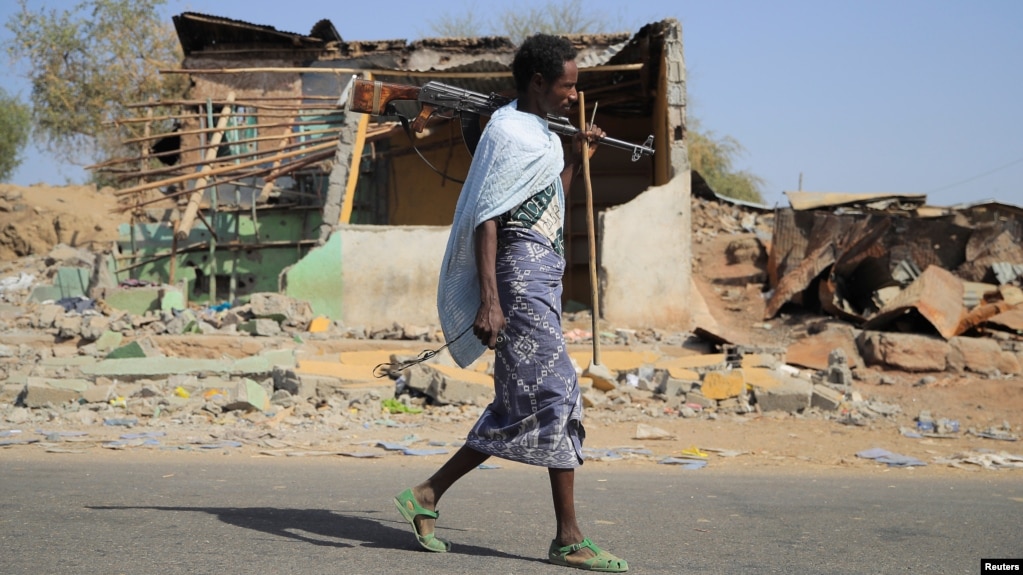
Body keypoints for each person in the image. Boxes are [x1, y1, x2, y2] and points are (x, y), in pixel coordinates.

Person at [392, 33, 629, 572]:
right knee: (558, 392)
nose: (574, 95)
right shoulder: (507, 132)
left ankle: (427, 495)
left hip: (541, 271)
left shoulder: (542, 135)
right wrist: (490, 302)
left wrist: (574, 155)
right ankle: (568, 537)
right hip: (518, 277)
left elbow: (551, 203)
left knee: (528, 401)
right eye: (567, 86)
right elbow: (489, 217)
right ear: (538, 82)